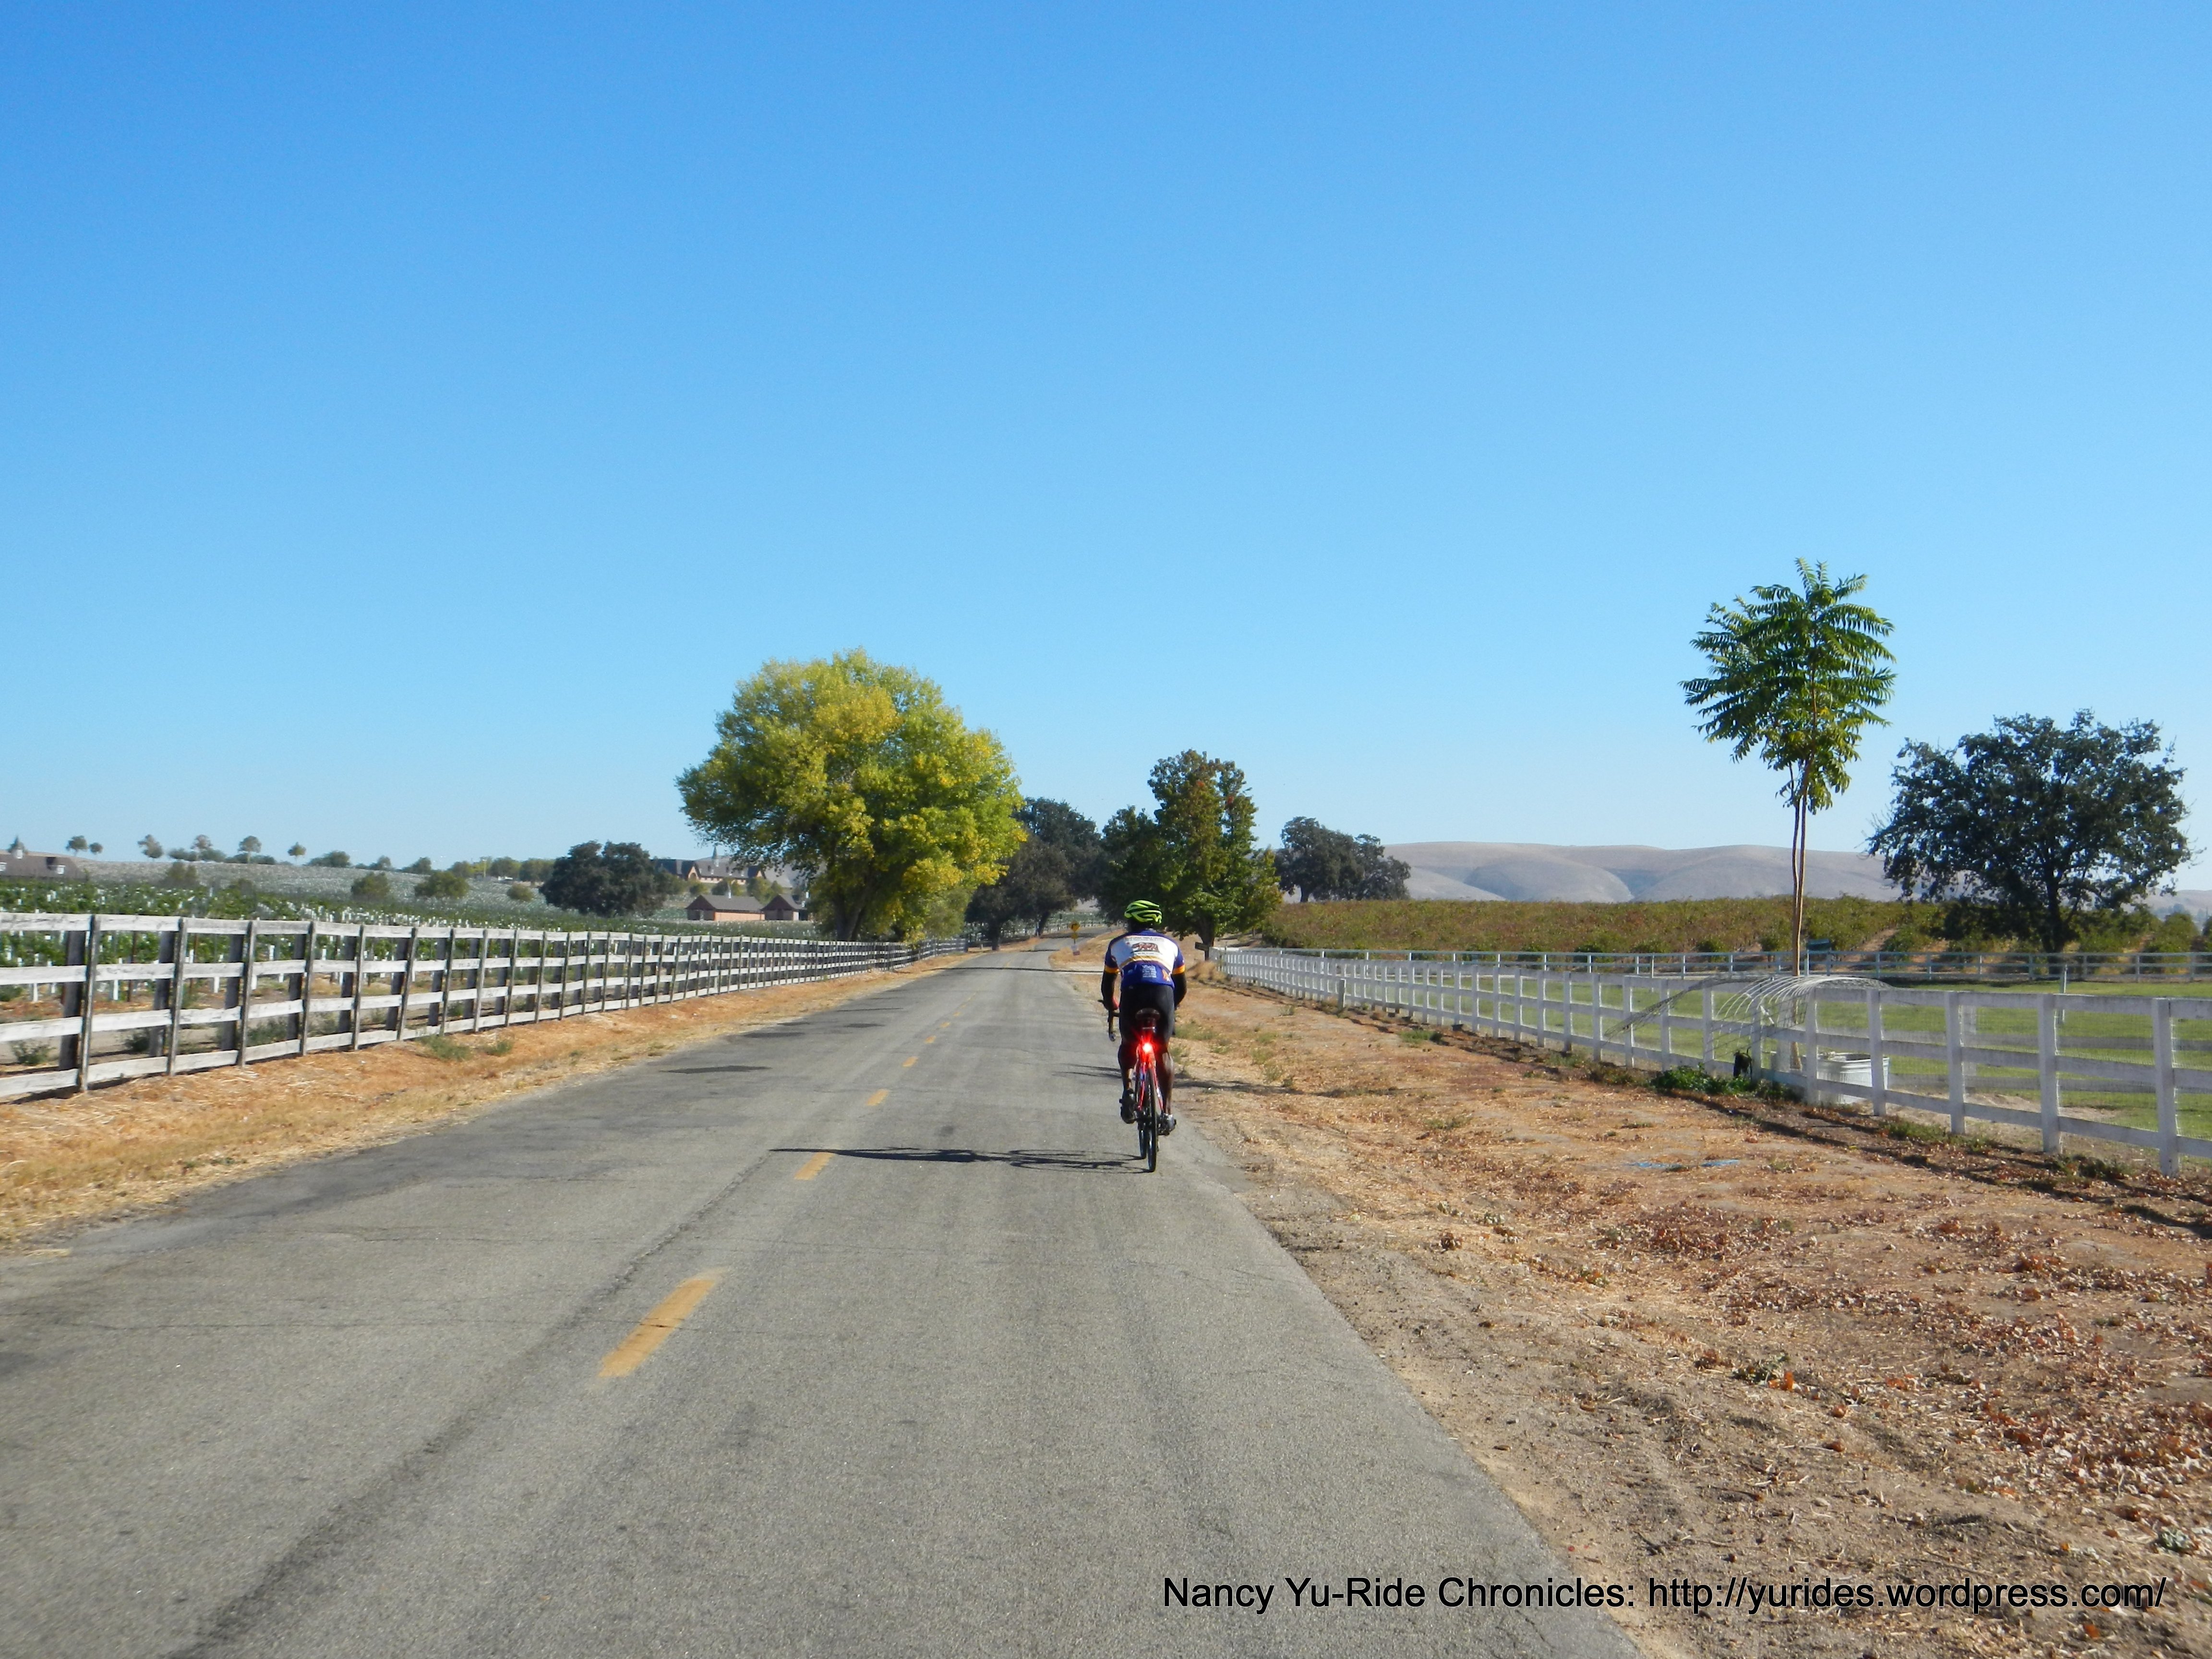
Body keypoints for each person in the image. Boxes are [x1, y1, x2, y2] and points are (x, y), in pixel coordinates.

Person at [1101, 899, 1185, 1131]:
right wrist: (1172, 1009)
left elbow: (1107, 985)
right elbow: (1181, 987)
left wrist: (1112, 1006)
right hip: (1163, 995)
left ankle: (1129, 1091)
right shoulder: (1171, 945)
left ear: (1130, 921)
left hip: (1133, 994)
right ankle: (1167, 1113)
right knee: (1163, 1051)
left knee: (1129, 1044)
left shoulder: (1118, 944)